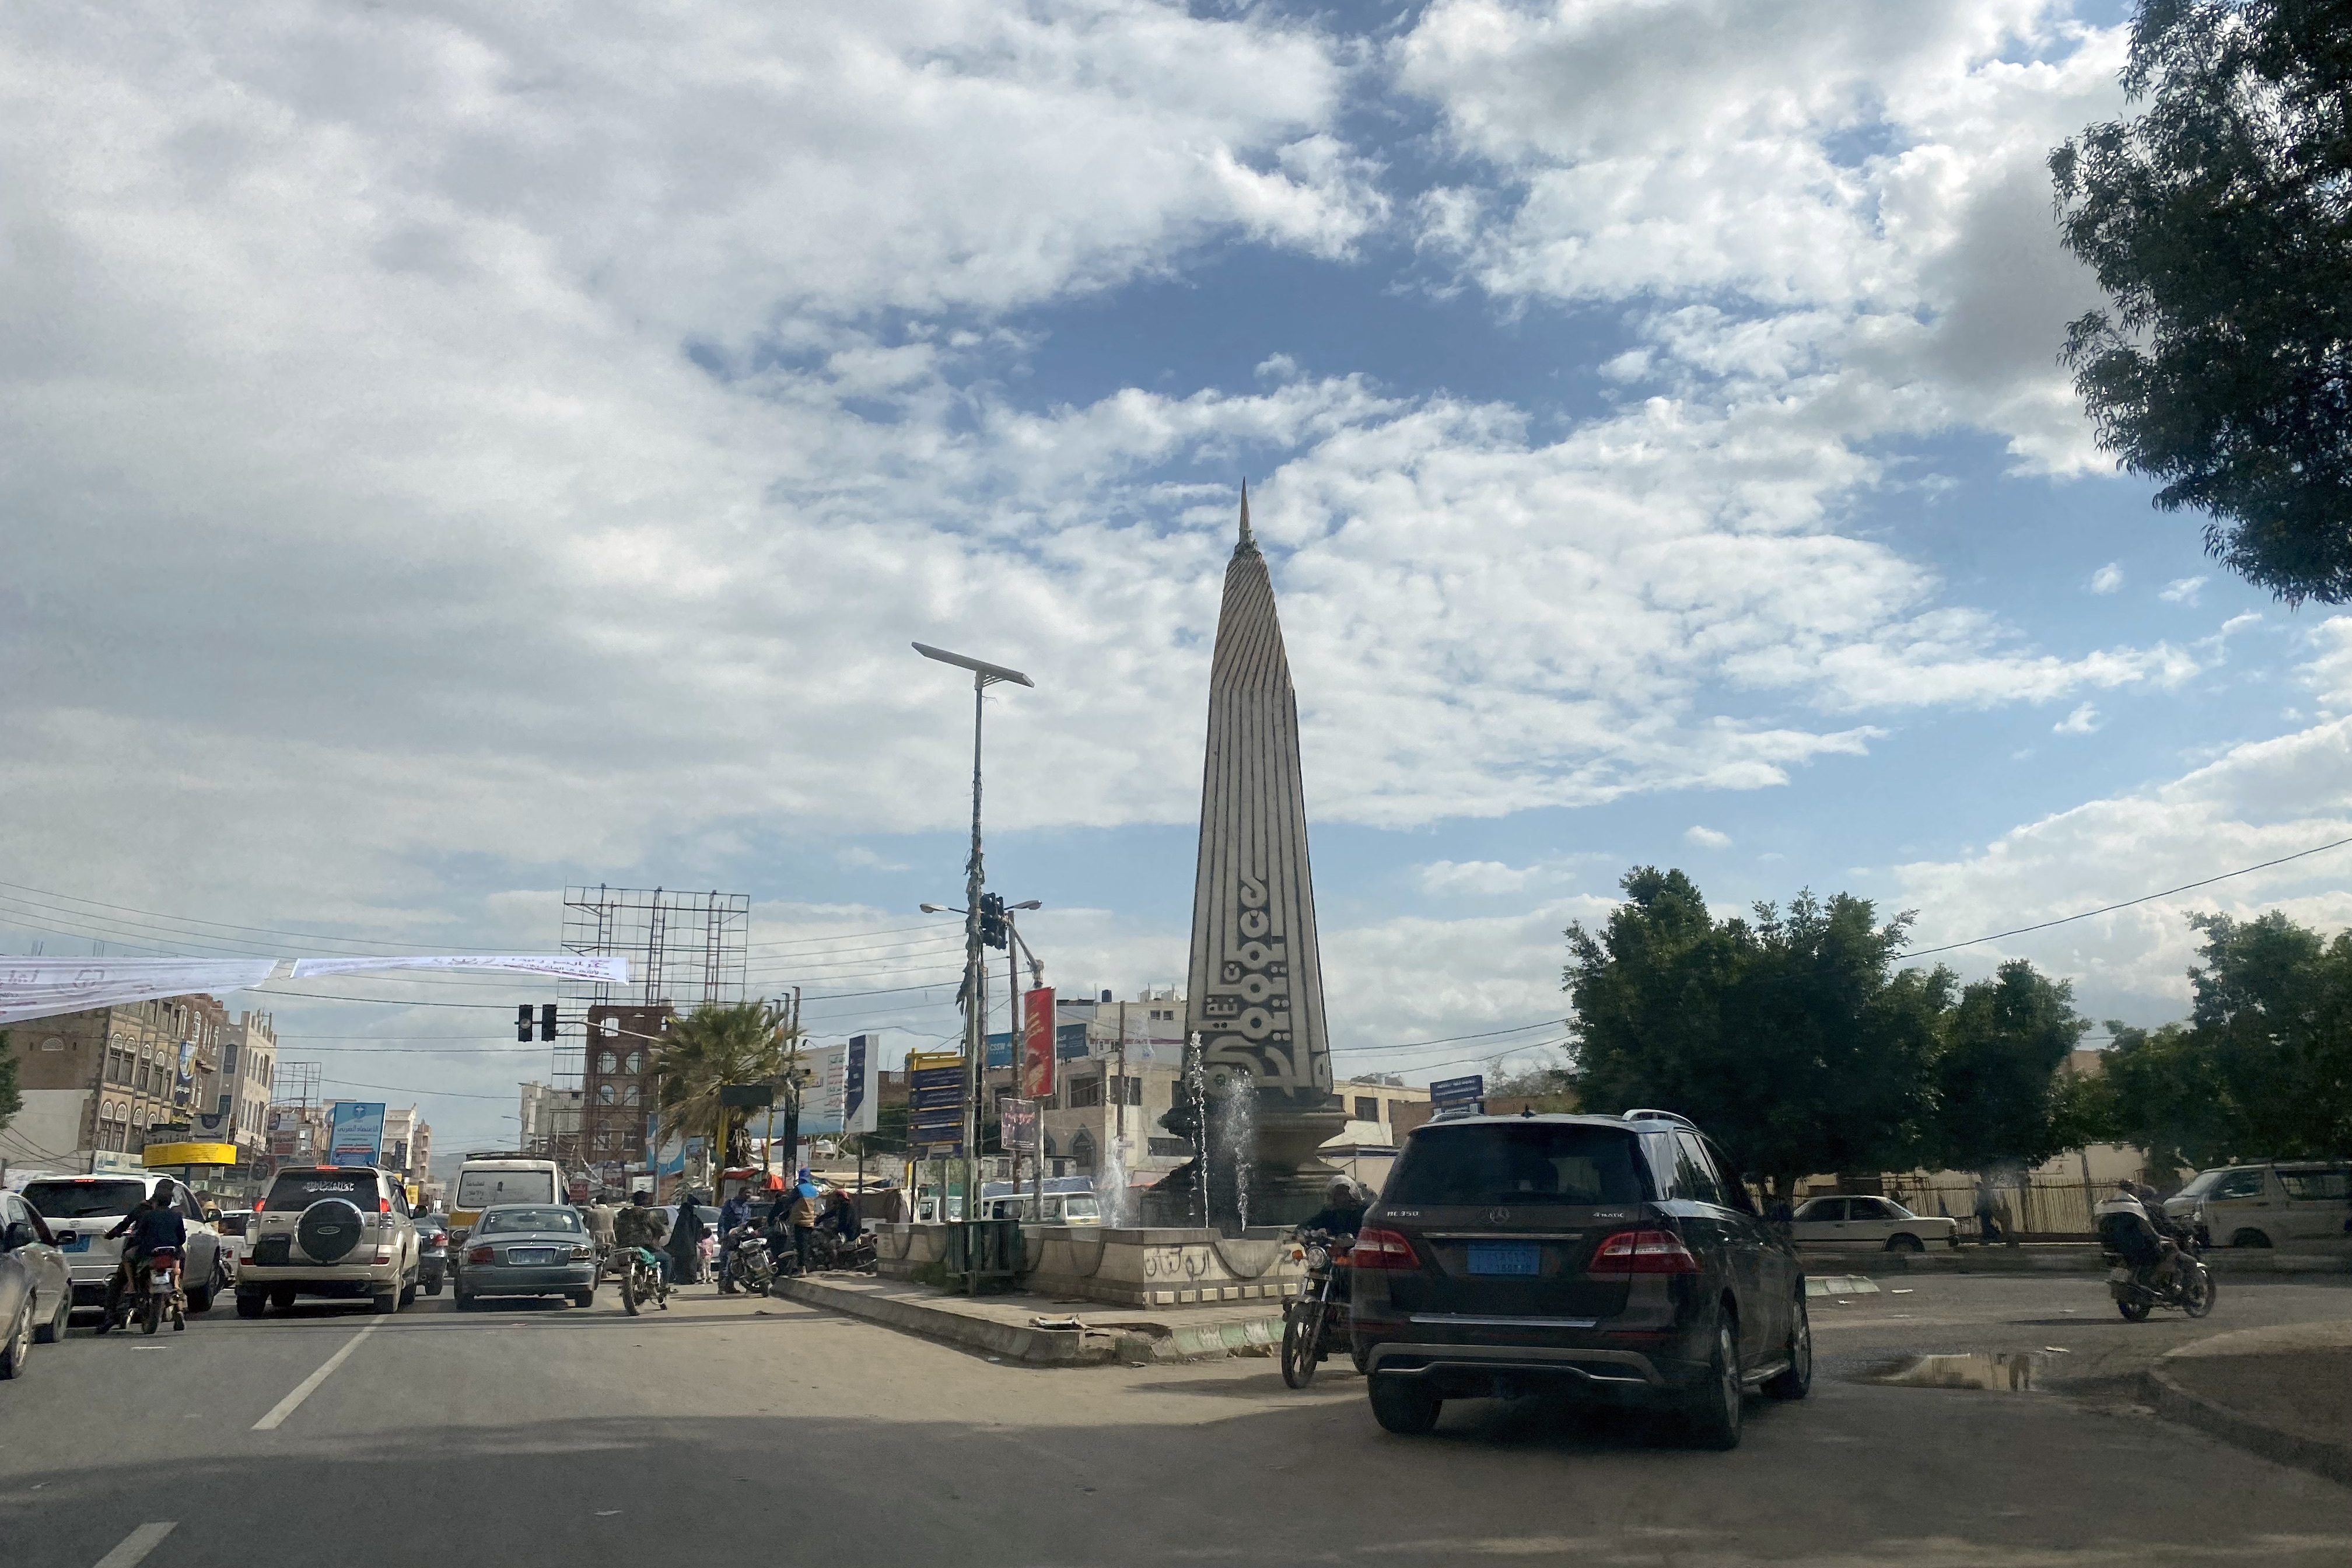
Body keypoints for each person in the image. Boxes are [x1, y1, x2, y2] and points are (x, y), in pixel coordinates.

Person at [100, 1193, 186, 1333]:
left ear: (155, 1200)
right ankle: (178, 1300)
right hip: (171, 1254)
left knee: (127, 1259)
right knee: (176, 1274)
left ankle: (132, 1287)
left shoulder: (146, 1213)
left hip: (148, 1254)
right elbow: (182, 1238)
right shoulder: (177, 1216)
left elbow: (136, 1233)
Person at [2096, 1183, 2182, 1292]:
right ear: (2132, 1192)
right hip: (2137, 1248)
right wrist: (2161, 1239)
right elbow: (2149, 1232)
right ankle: (2156, 1280)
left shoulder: (2110, 1208)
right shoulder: (2134, 1209)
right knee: (2171, 1247)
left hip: (2114, 1247)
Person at [614, 1190, 671, 1282]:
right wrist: (664, 1231)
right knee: (667, 1258)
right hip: (645, 1250)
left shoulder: (623, 1215)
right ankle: (664, 1286)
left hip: (624, 1250)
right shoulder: (647, 1214)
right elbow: (660, 1229)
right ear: (645, 1201)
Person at [1297, 1177, 1367, 1241]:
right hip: (1335, 1251)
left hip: (1360, 1251)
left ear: (1352, 1194)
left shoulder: (1363, 1211)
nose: (1343, 1197)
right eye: (1339, 1194)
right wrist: (1302, 1229)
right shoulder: (1330, 1212)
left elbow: (1370, 1231)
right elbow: (1314, 1222)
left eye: (1345, 1193)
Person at [667, 1190, 709, 1285]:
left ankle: (682, 1279)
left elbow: (676, 1234)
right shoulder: (695, 1219)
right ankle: (690, 1279)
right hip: (690, 1247)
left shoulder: (682, 1219)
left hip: (680, 1247)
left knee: (681, 1264)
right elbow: (699, 1231)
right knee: (690, 1264)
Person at [786, 1181, 820, 1273]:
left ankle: (802, 1269)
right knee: (806, 1245)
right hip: (810, 1222)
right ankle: (808, 1267)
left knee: (801, 1246)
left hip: (800, 1221)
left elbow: (790, 1201)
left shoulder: (799, 1189)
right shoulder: (813, 1189)